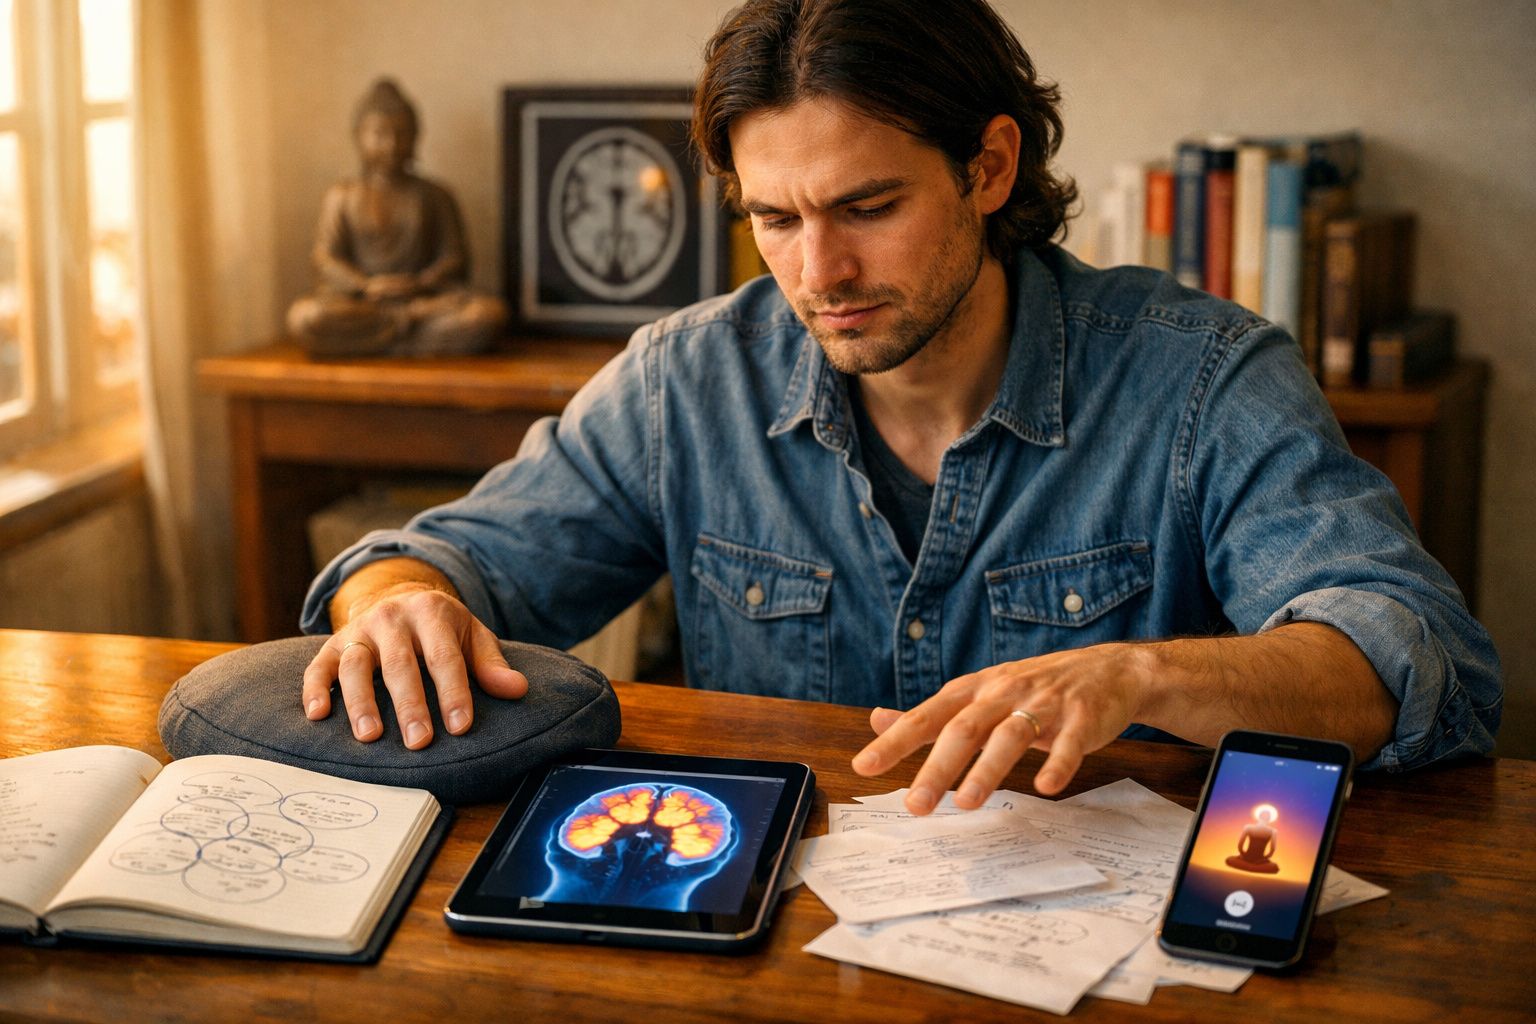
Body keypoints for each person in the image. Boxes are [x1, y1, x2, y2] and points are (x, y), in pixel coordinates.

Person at [299, 0, 1501, 815]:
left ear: (989, 168)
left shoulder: (1204, 376)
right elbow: (435, 560)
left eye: (866, 207)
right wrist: (400, 605)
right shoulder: (689, 378)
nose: (818, 272)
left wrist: (1141, 675)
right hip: (771, 934)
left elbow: (1413, 653)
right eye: (775, 218)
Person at [287, 78, 507, 357]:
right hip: (366, 304)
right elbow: (325, 259)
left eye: (401, 133)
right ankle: (407, 337)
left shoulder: (435, 195)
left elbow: (454, 259)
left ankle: (385, 338)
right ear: (359, 136)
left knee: (486, 315)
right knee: (306, 317)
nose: (391, 144)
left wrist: (419, 284)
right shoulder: (342, 196)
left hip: (421, 303)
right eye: (380, 134)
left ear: (415, 137)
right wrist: (365, 285)